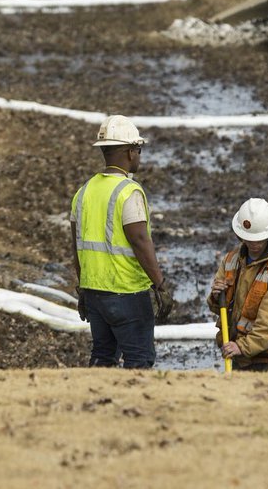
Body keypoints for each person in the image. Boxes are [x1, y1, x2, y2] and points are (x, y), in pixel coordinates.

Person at [70, 115, 173, 369]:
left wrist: (83, 289)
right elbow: (139, 240)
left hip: (94, 292)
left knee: (103, 356)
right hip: (127, 293)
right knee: (139, 360)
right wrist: (160, 285)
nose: (139, 156)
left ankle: (95, 394)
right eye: (138, 150)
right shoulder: (129, 192)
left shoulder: (84, 192)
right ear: (130, 152)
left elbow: (77, 247)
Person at [207, 198, 268, 371]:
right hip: (240, 355)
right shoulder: (232, 259)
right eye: (248, 239)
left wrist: (243, 346)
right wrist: (216, 296)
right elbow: (218, 307)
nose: (253, 244)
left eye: (259, 239)